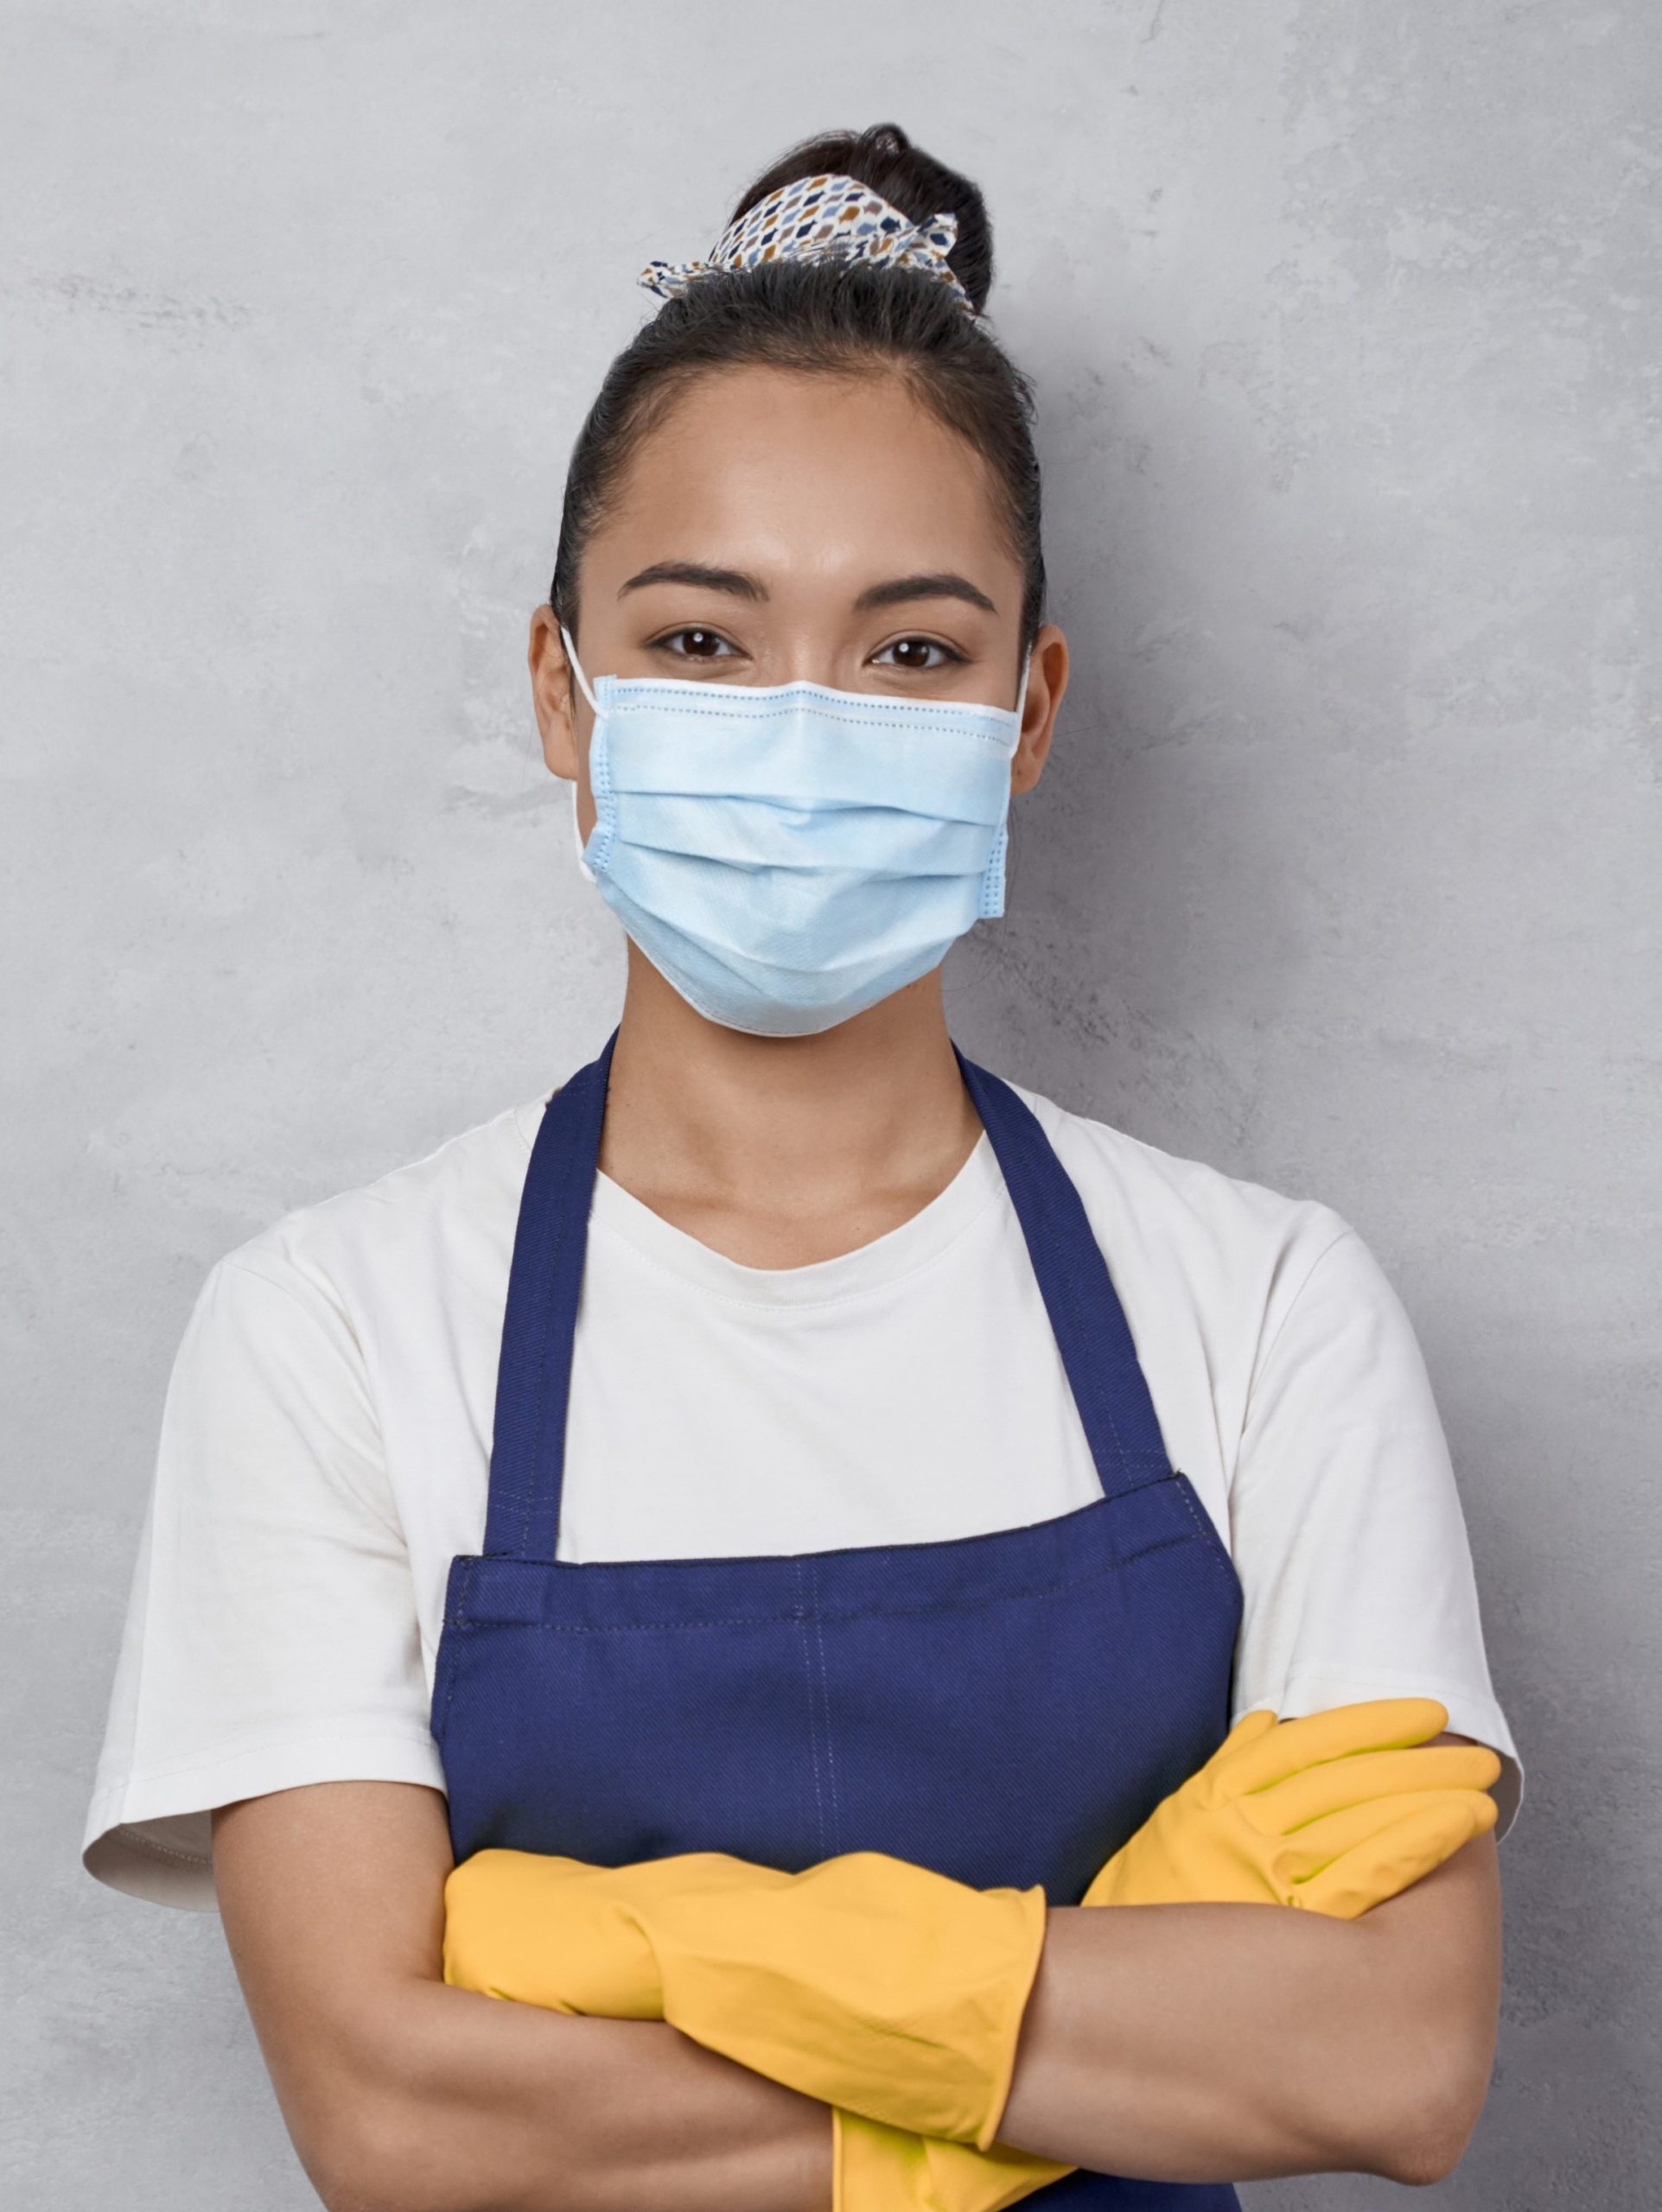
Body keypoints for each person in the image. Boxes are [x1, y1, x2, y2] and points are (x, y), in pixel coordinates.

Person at [82, 124, 1520, 2211]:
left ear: (1025, 715)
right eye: (698, 641)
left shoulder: (1265, 1303)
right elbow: (397, 2123)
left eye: (910, 652)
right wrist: (1123, 2038)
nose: (799, 722)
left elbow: (1388, 2055)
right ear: (558, 697)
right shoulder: (330, 1326)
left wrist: (611, 1954)